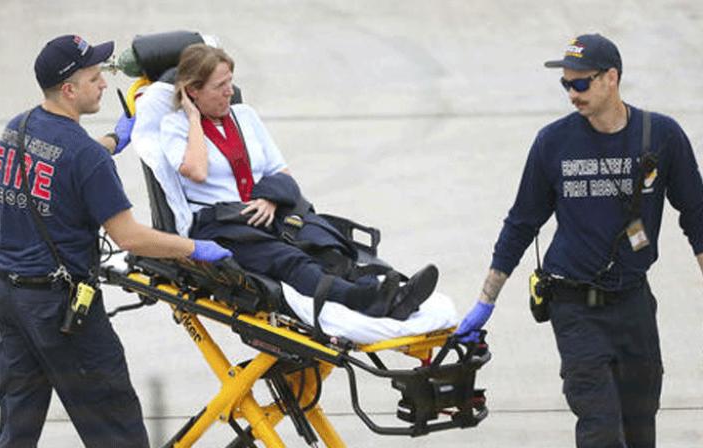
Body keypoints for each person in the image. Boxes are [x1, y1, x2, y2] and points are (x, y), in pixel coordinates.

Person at [456, 33, 703, 447]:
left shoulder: (662, 136)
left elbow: (696, 214)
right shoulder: (553, 143)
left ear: (611, 78)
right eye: (565, 84)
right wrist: (486, 300)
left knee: (641, 428)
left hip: (635, 304)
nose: (572, 94)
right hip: (575, 308)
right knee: (601, 431)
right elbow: (521, 223)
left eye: (581, 83)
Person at [0, 34, 232, 448]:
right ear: (69, 89)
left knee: (17, 430)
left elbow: (62, 161)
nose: (104, 83)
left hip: (9, 300)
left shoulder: (17, 129)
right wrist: (195, 249)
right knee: (116, 430)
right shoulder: (85, 158)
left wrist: (114, 141)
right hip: (60, 312)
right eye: (94, 77)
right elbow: (130, 237)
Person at [155, 43, 439, 320]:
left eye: (231, 81)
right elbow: (197, 171)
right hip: (223, 224)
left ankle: (393, 297)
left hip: (264, 206)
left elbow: (281, 171)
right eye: (220, 86)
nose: (231, 91)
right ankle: (364, 301)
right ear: (193, 91)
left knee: (324, 245)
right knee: (290, 260)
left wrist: (269, 198)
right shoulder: (175, 126)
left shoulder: (245, 116)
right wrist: (193, 117)